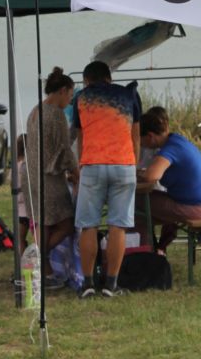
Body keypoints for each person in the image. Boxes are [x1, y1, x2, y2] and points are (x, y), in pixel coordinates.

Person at [71, 60, 140, 299]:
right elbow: (135, 136)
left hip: (92, 164)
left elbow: (80, 137)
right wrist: (134, 164)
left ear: (87, 80)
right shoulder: (129, 95)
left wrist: (81, 167)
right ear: (109, 77)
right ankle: (111, 284)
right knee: (118, 225)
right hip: (124, 164)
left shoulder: (81, 98)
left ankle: (88, 284)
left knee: (88, 225)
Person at [137, 106, 201, 251]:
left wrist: (138, 175)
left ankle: (143, 252)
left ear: (150, 136)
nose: (140, 144)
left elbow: (151, 176)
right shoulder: (176, 140)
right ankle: (149, 250)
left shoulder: (170, 149)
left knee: (136, 202)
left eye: (140, 140)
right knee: (140, 214)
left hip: (195, 207)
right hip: (200, 202)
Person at [24, 67, 79, 256]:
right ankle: (37, 258)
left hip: (32, 175)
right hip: (48, 179)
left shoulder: (37, 109)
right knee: (67, 224)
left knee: (44, 223)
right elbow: (65, 151)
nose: (70, 100)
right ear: (62, 91)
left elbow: (55, 143)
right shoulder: (56, 114)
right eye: (70, 95)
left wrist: (75, 130)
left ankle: (41, 264)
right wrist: (77, 174)